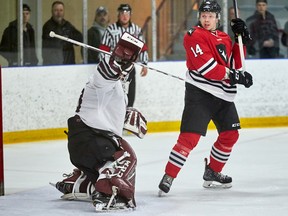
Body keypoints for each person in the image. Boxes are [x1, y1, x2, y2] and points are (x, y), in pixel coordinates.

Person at [158, 0, 253, 194]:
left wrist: (241, 40)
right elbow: (207, 68)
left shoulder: (224, 37)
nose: (206, 19)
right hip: (200, 94)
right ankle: (169, 176)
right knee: (189, 138)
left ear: (217, 18)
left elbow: (234, 63)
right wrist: (235, 76)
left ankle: (213, 172)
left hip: (224, 96)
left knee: (230, 135)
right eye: (203, 16)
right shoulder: (194, 35)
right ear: (199, 17)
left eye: (210, 16)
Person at [50, 32, 147, 212]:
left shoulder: (115, 88)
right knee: (127, 155)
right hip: (92, 139)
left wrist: (127, 115)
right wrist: (119, 58)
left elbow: (107, 110)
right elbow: (106, 72)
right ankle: (108, 192)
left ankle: (79, 184)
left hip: (83, 145)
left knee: (111, 156)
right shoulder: (101, 80)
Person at [99, 3, 149, 107]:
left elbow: (142, 48)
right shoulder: (110, 30)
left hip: (129, 68)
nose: (125, 16)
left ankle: (126, 119)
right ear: (118, 15)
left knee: (130, 97)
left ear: (130, 15)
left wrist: (144, 64)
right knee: (115, 97)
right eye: (122, 13)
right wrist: (107, 67)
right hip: (114, 68)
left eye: (127, 13)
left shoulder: (136, 30)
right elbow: (103, 50)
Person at [42, 1, 83, 65]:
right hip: (53, 65)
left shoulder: (67, 25)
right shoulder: (48, 26)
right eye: (56, 10)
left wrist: (69, 36)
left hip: (68, 63)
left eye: (61, 10)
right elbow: (53, 44)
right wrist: (65, 37)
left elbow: (79, 38)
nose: (59, 13)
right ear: (52, 11)